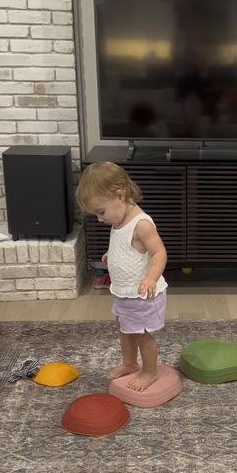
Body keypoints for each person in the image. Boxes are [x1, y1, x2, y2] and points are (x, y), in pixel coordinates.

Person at [76, 161, 167, 392]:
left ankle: (149, 372)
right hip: (123, 293)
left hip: (143, 294)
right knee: (125, 329)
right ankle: (129, 363)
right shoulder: (119, 219)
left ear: (120, 195)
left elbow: (159, 253)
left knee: (142, 335)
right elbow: (126, 245)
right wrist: (112, 254)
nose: (100, 219)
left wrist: (151, 277)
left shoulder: (142, 224)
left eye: (101, 212)